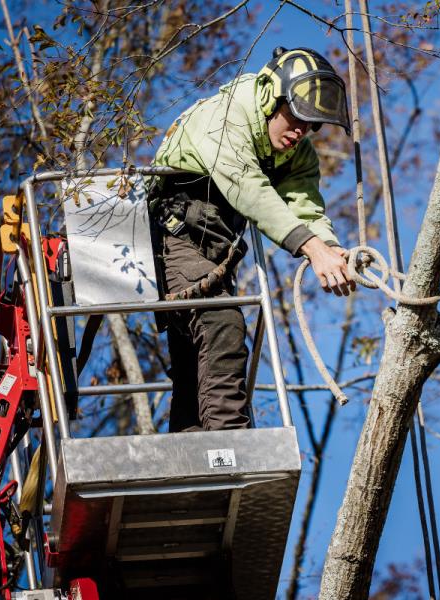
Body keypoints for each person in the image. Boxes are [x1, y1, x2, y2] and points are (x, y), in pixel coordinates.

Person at [149, 47, 355, 433]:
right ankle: (231, 443)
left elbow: (305, 205)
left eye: (311, 125)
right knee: (221, 321)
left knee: (198, 357)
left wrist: (329, 246)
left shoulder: (296, 153)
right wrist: (311, 248)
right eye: (296, 117)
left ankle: (192, 455)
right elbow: (249, 189)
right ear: (270, 97)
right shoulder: (228, 116)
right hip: (174, 231)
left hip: (216, 247)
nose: (301, 132)